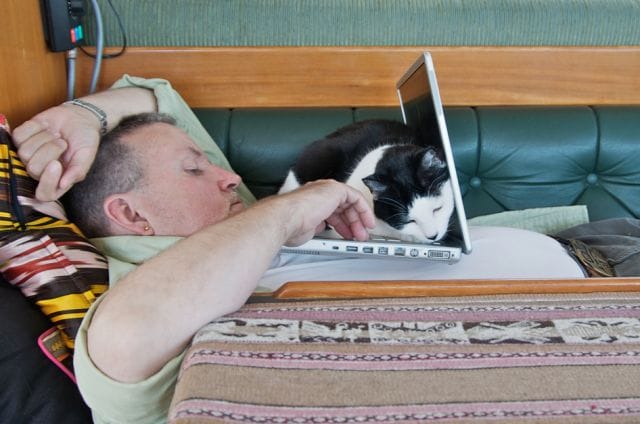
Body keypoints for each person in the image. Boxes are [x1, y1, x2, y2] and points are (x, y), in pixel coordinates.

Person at [13, 76, 586, 423]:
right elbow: (126, 342)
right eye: (194, 167)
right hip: (593, 303)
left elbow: (154, 91)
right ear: (131, 215)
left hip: (589, 249)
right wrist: (291, 206)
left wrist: (82, 115)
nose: (226, 177)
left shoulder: (210, 214)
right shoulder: (144, 291)